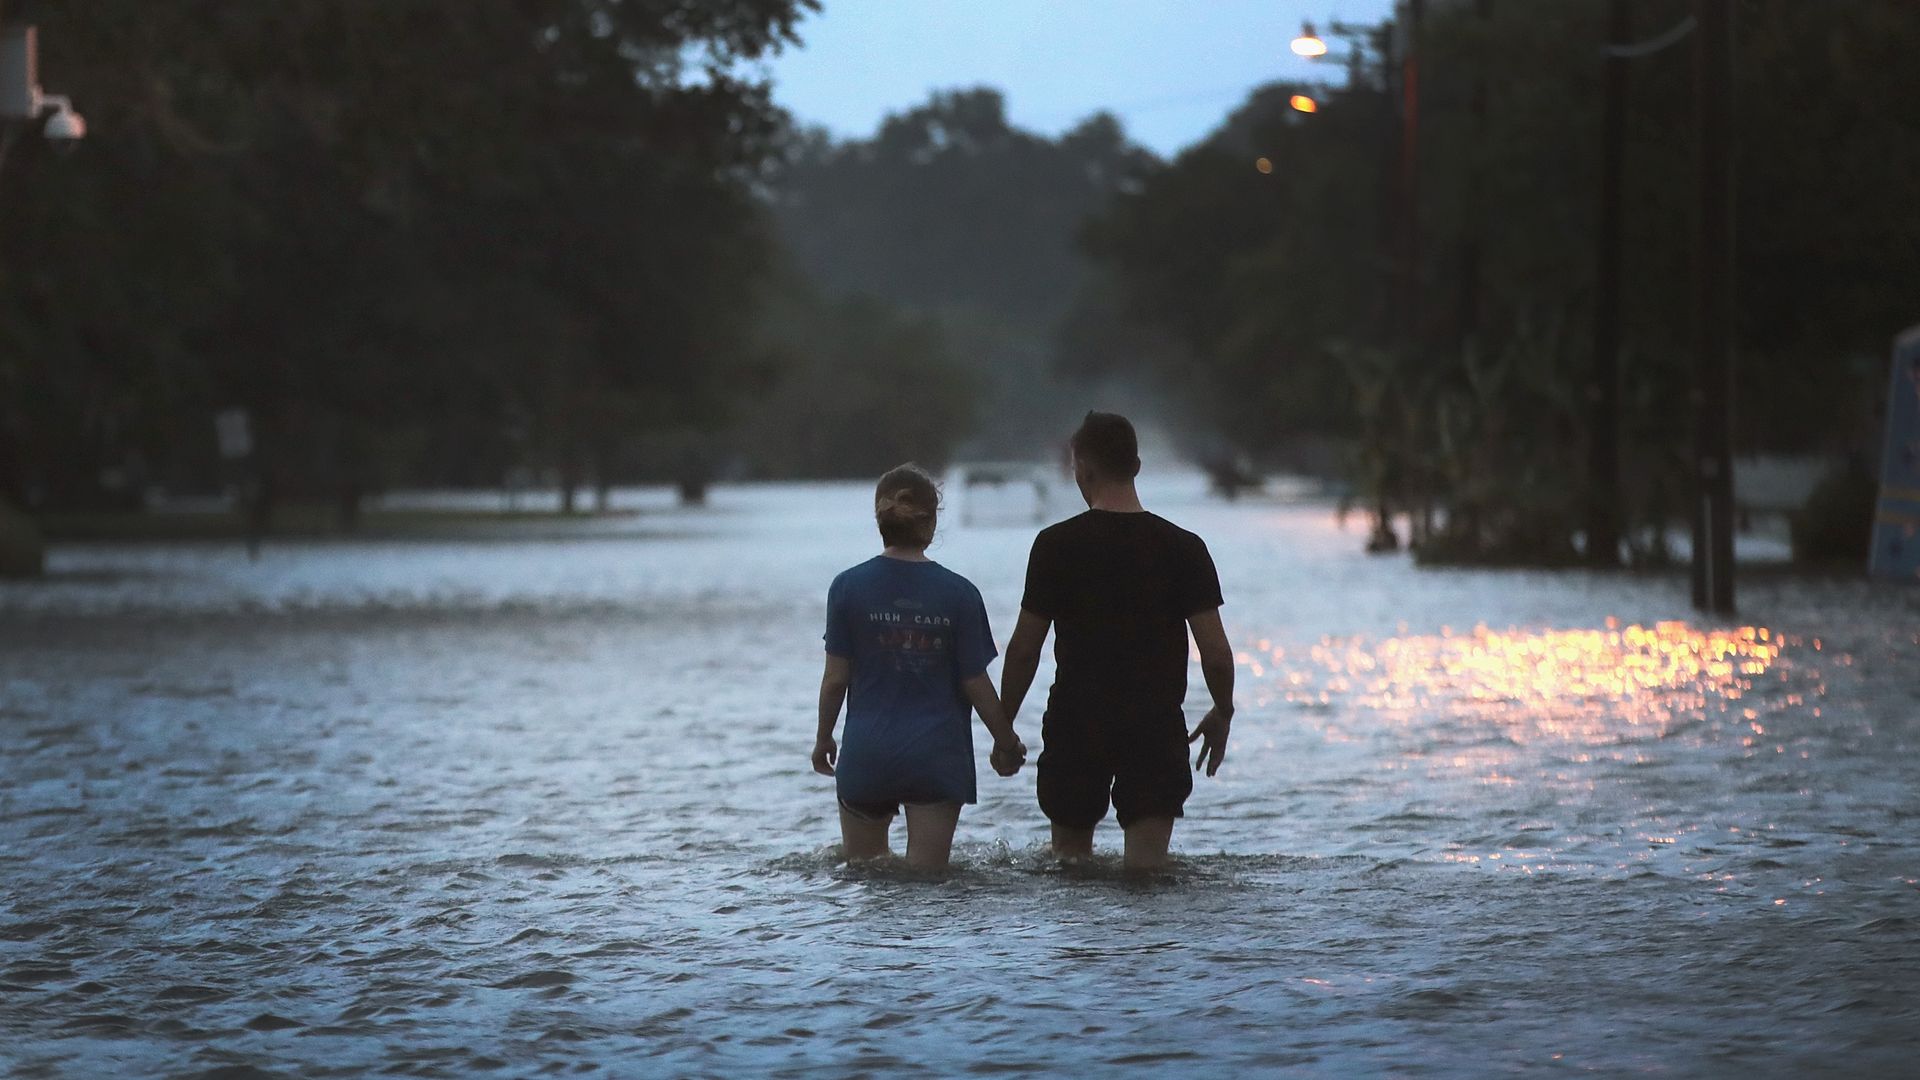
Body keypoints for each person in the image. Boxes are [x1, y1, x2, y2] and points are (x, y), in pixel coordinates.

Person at [997, 412, 1235, 871]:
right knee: (1148, 877)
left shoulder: (1055, 546)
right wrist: (1223, 710)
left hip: (1075, 725)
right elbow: (1218, 656)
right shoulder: (1184, 548)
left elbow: (1023, 650)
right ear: (1138, 466)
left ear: (1081, 469)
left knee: (1069, 871)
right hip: (1154, 727)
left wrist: (1004, 729)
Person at [813, 464, 1027, 870]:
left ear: (881, 520)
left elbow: (835, 680)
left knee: (865, 875)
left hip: (866, 753)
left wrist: (824, 738)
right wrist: (1006, 740)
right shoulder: (960, 594)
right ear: (930, 523)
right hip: (936, 756)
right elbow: (975, 682)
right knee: (928, 881)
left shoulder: (846, 587)